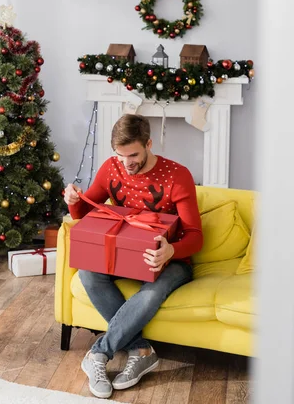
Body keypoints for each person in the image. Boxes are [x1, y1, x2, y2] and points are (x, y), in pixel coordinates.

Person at [64, 113, 203, 399]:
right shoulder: (112, 168)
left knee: (153, 292)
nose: (127, 163)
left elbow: (195, 236)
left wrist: (171, 251)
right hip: (125, 254)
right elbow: (87, 214)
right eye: (120, 155)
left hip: (171, 260)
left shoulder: (178, 175)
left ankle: (99, 353)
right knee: (88, 272)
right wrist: (73, 202)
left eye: (134, 154)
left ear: (149, 144)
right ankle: (140, 349)